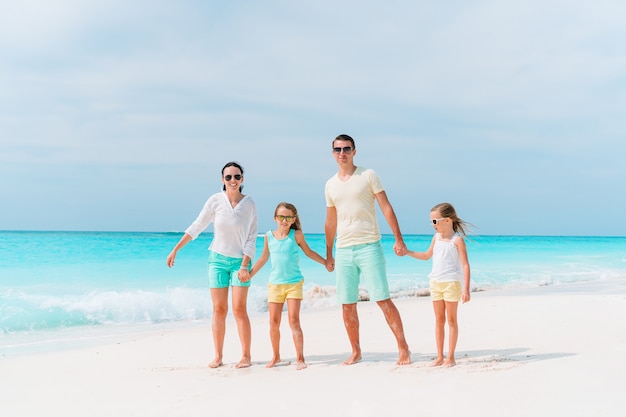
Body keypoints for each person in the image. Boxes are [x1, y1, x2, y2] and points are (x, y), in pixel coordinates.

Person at [324, 134, 411, 365]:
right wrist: (329, 253)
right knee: (347, 303)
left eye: (346, 149)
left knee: (382, 298)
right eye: (337, 149)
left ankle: (403, 348)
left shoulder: (368, 175)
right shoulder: (330, 184)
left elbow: (386, 207)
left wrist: (398, 239)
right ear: (332, 153)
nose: (341, 153)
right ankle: (356, 351)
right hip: (343, 250)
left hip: (369, 246)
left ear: (354, 151)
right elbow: (330, 221)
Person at [166, 161, 258, 369]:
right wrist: (175, 249)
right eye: (228, 177)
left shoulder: (249, 203)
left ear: (242, 179)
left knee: (239, 309)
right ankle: (218, 356)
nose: (232, 181)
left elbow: (252, 237)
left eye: (236, 177)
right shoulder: (215, 201)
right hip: (217, 260)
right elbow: (197, 226)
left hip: (240, 264)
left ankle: (246, 355)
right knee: (219, 309)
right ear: (222, 180)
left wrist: (244, 265)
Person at [250, 202, 326, 370]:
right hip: (275, 285)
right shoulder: (268, 236)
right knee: (273, 322)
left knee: (293, 320)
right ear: (275, 218)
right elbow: (263, 259)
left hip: (294, 284)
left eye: (288, 217)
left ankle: (300, 358)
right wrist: (249, 274)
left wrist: (325, 262)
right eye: (281, 217)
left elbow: (309, 252)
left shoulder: (296, 235)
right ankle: (276, 356)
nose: (284, 220)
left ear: (293, 219)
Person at [402, 202, 472, 367]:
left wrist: (466, 289)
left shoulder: (457, 240)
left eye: (435, 221)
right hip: (435, 283)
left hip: (451, 284)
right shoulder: (436, 238)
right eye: (431, 221)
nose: (432, 225)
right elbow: (426, 255)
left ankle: (451, 357)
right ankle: (440, 356)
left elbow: (465, 265)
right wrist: (408, 252)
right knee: (439, 320)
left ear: (447, 220)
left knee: (451, 320)